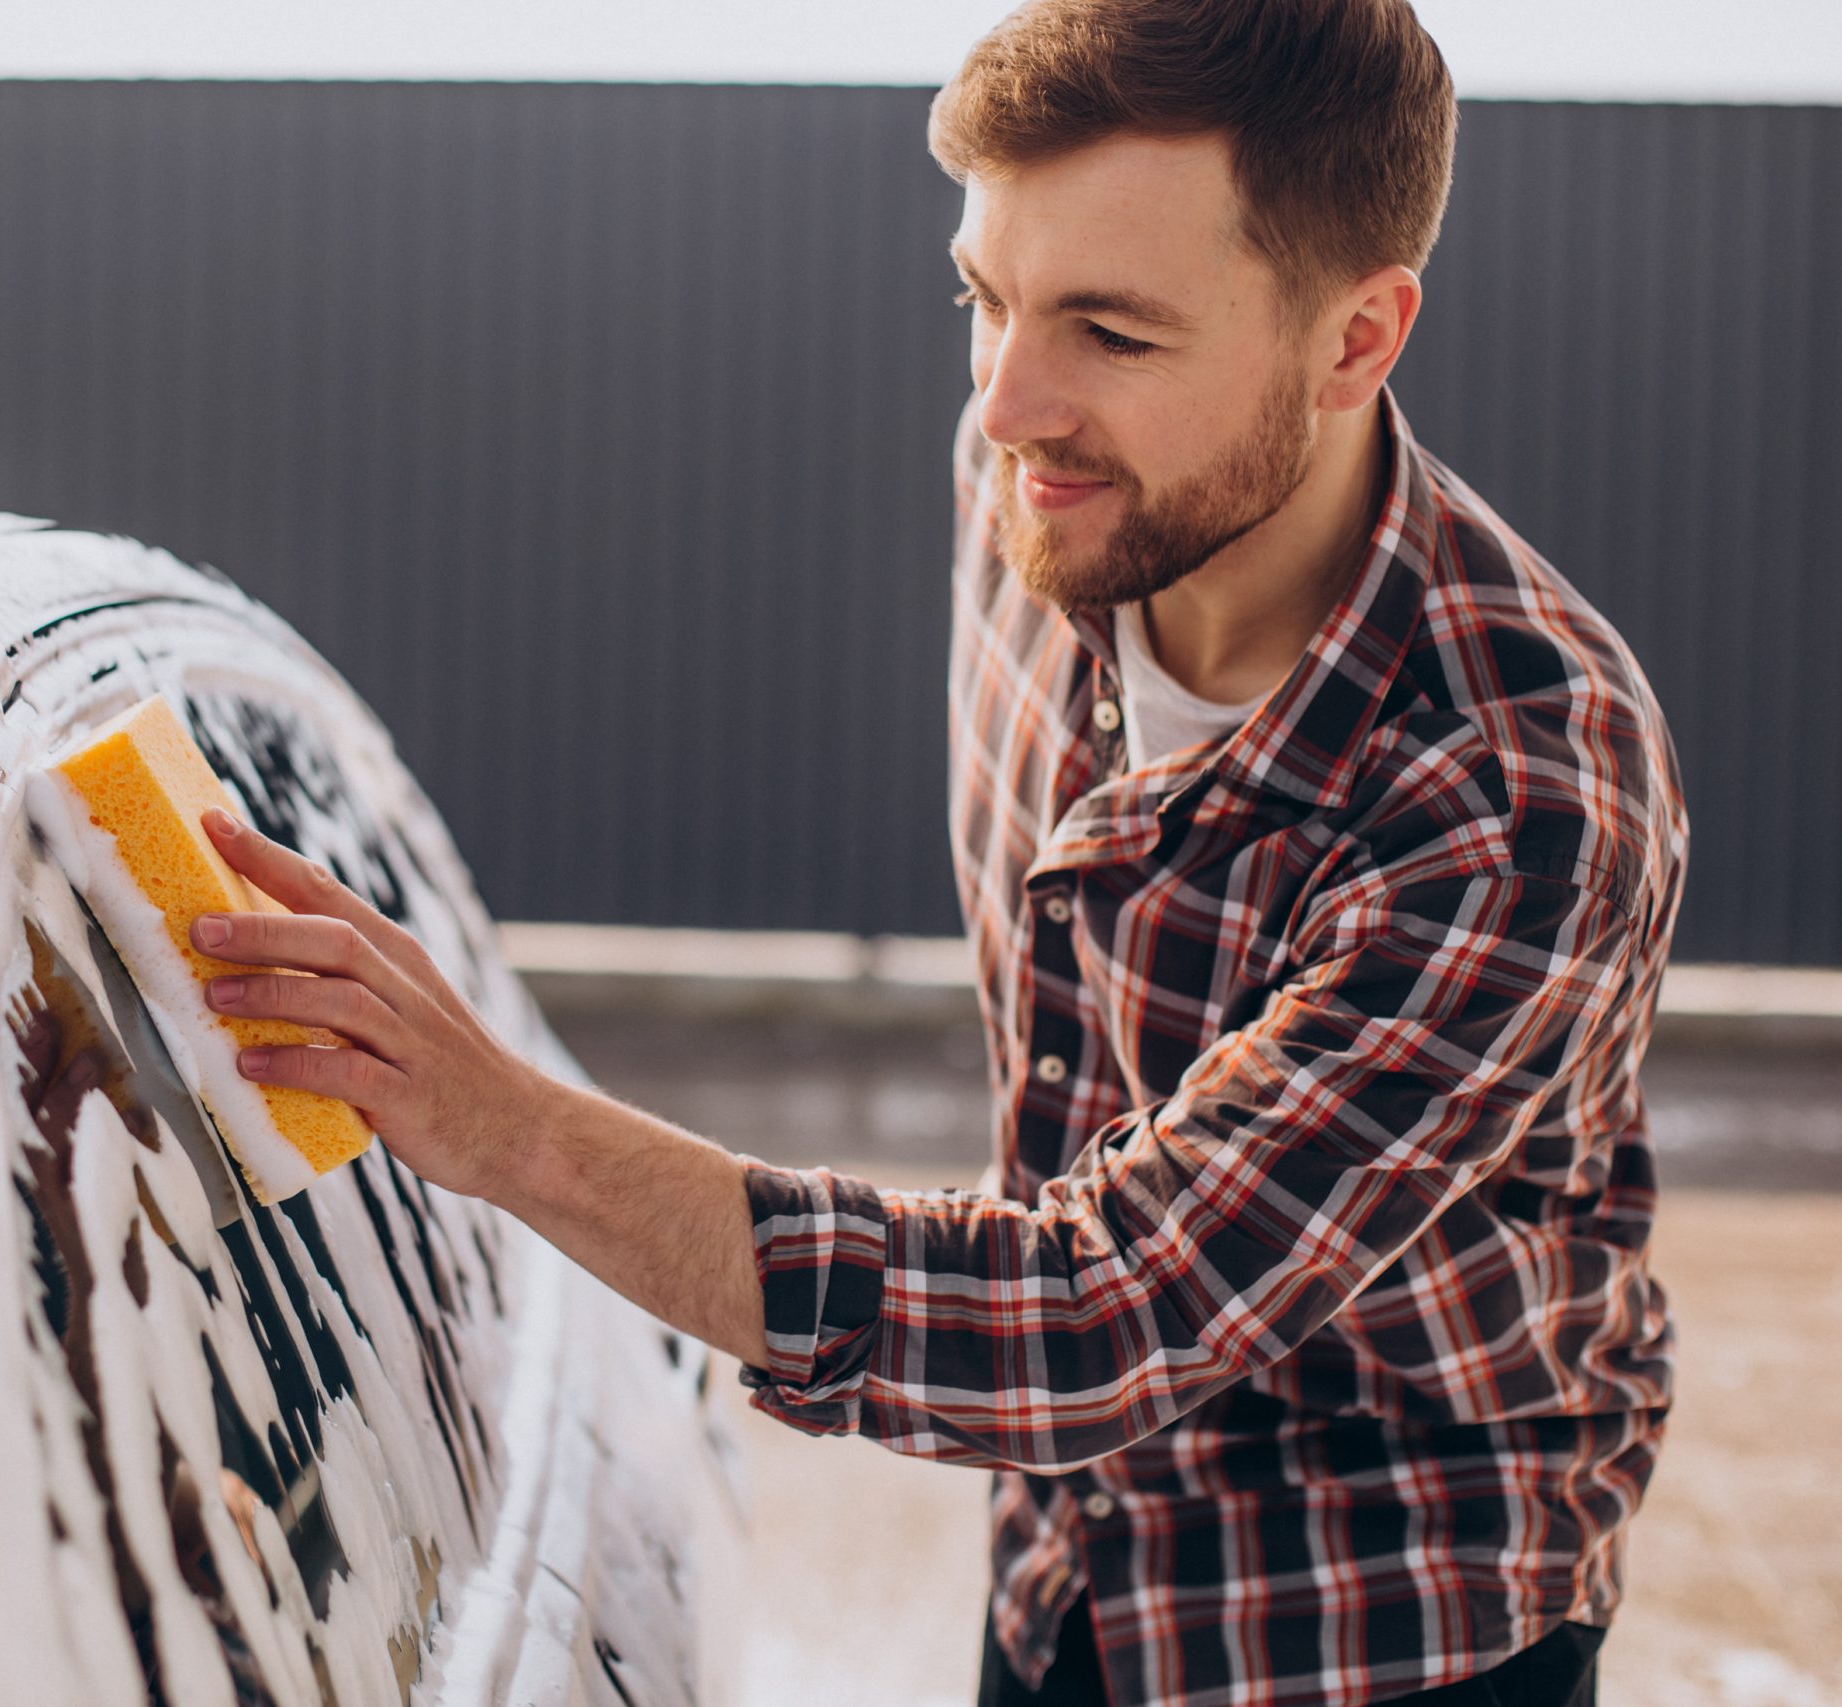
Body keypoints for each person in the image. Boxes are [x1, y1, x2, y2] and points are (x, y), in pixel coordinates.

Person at [179, 2, 1685, 1700]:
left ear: (1356, 341)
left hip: (1373, 1618)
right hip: (1058, 1557)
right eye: (984, 296)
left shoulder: (1521, 787)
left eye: (1111, 330)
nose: (1008, 399)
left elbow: (1101, 1313)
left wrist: (510, 1131)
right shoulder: (1051, 484)